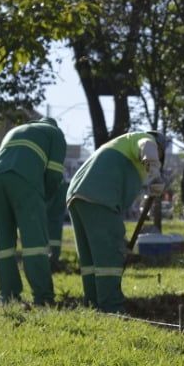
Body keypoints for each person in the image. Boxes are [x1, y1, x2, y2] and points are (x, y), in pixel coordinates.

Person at [65, 130, 167, 313]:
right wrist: (155, 173)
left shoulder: (121, 147)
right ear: (160, 148)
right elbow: (147, 145)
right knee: (109, 255)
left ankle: (93, 303)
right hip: (99, 195)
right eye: (161, 155)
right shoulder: (144, 140)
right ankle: (111, 307)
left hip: (77, 195)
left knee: (91, 257)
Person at [0, 116, 67, 306]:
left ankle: (8, 296)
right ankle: (43, 298)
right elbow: (54, 175)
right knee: (34, 242)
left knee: (4, 243)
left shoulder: (17, 129)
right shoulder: (56, 134)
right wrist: (44, 198)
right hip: (25, 178)